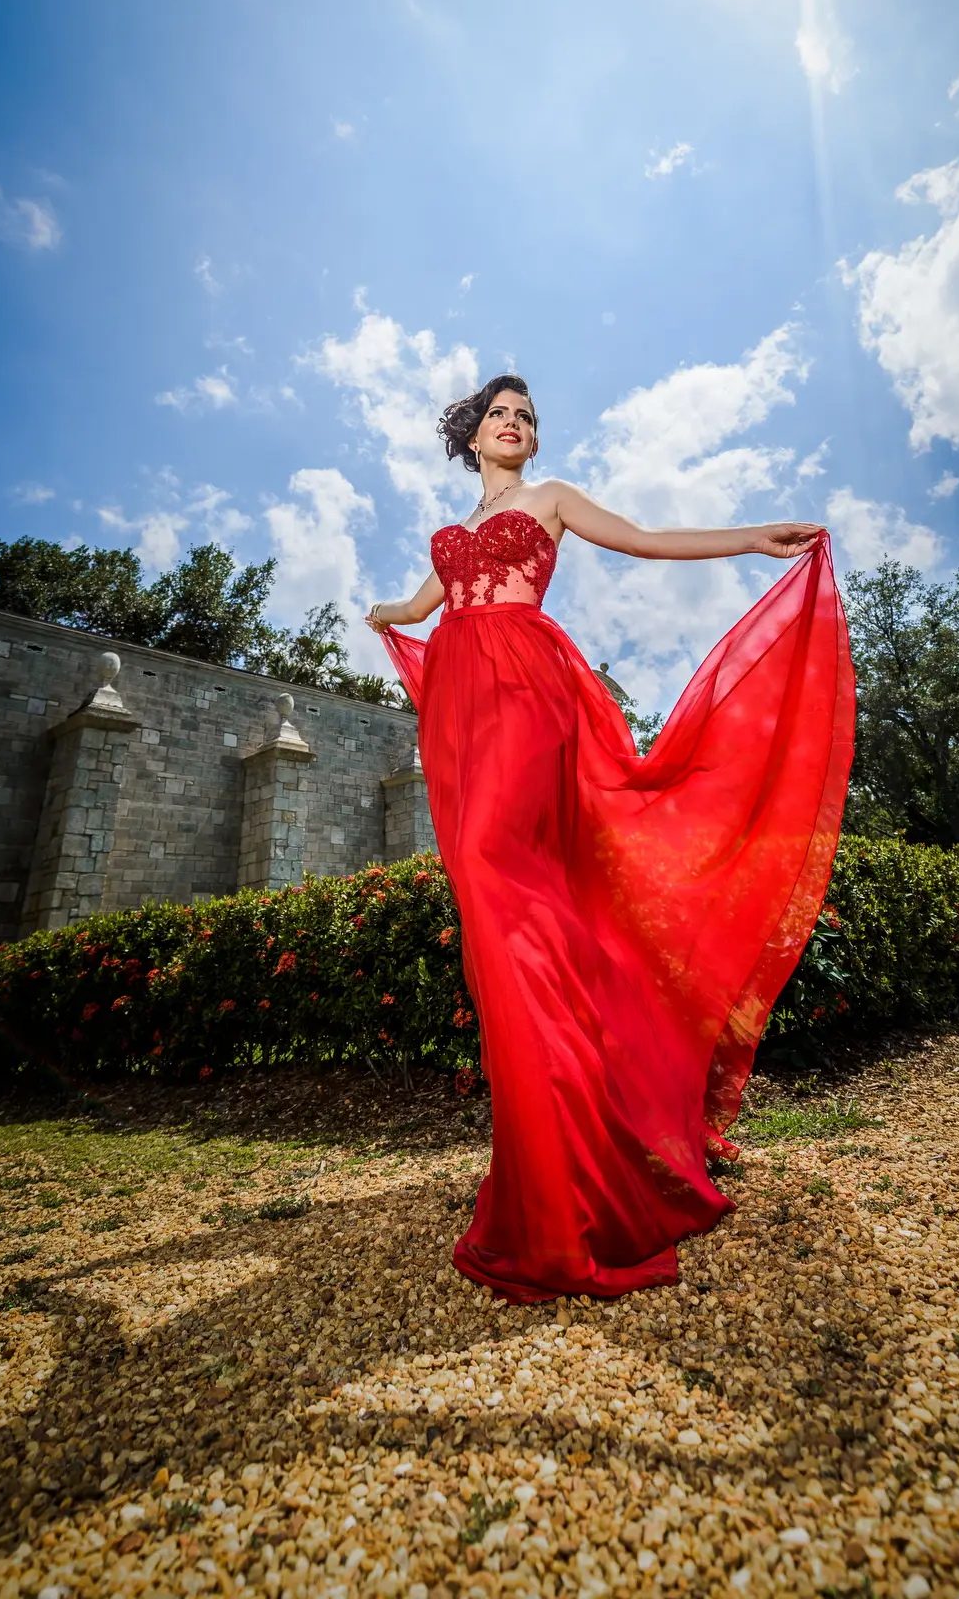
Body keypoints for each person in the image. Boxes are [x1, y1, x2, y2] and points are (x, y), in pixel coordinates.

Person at [366, 374, 854, 1303]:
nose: (515, 425)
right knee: (499, 908)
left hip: (522, 683)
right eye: (500, 415)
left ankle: (574, 1166)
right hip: (458, 704)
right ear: (472, 438)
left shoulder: (551, 502)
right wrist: (391, 614)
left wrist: (750, 537)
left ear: (533, 442)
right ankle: (560, 1137)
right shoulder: (453, 531)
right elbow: (425, 604)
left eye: (528, 417)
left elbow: (643, 540)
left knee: (493, 872)